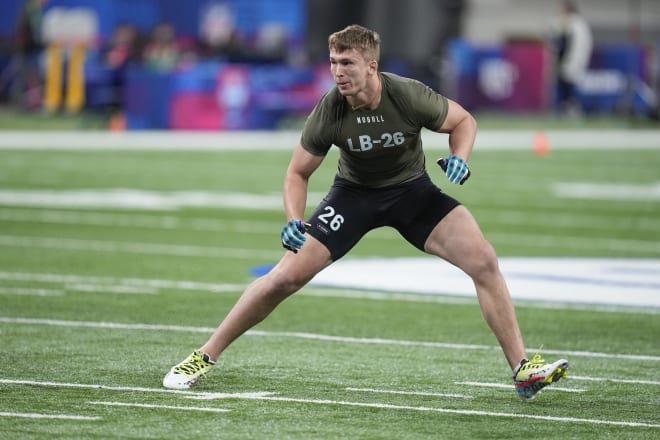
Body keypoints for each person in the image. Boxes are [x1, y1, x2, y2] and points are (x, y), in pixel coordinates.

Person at [163, 24, 569, 401]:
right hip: (353, 197)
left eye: (347, 63)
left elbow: (463, 120)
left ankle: (522, 369)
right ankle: (204, 355)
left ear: (371, 66)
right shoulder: (330, 109)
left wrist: (460, 156)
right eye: (334, 63)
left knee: (484, 259)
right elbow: (297, 173)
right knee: (283, 278)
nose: (338, 72)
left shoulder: (406, 95)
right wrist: (292, 218)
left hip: (412, 192)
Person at [552, 0, 593, 116]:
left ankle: (573, 109)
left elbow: (579, 47)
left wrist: (573, 63)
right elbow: (558, 42)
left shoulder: (578, 25)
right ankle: (564, 109)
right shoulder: (563, 24)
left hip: (572, 62)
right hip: (563, 62)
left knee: (571, 87)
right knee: (563, 88)